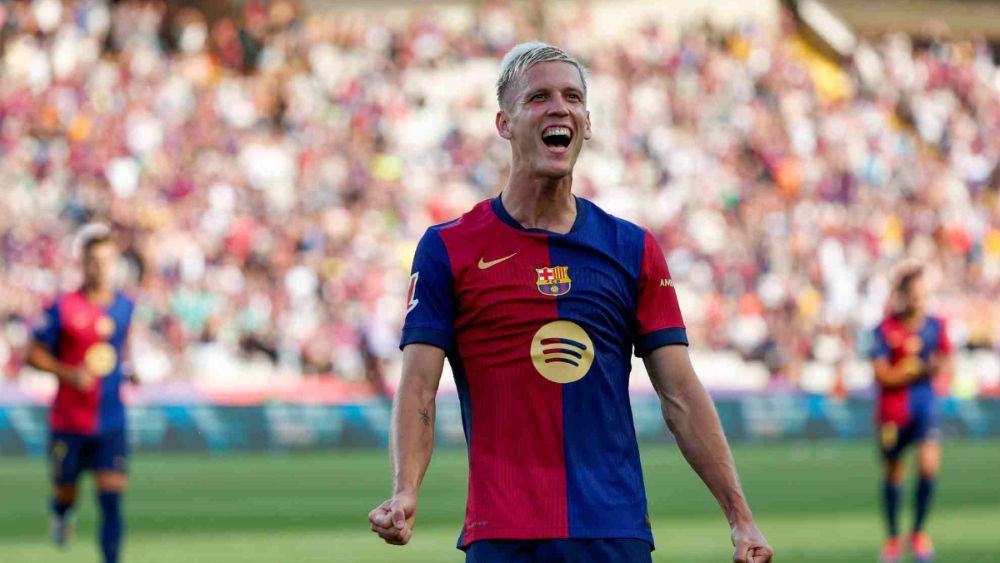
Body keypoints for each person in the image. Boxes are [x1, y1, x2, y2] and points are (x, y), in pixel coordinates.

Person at [368, 42, 773, 563]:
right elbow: (419, 386)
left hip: (613, 530)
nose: (560, 107)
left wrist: (740, 517)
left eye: (573, 97)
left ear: (587, 122)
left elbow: (680, 394)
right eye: (538, 97)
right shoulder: (450, 247)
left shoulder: (632, 248)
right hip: (503, 535)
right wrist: (406, 490)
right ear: (504, 123)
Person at [27, 224, 137, 563]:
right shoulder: (62, 308)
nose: (101, 268)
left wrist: (132, 371)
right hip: (69, 421)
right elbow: (33, 354)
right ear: (83, 264)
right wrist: (67, 373)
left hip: (111, 421)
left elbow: (118, 352)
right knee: (66, 492)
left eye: (107, 261)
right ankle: (60, 512)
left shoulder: (124, 308)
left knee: (111, 499)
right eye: (94, 261)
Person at [871, 263, 951, 563]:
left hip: (925, 405)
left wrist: (936, 369)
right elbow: (881, 374)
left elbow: (946, 360)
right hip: (893, 411)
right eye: (914, 294)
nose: (919, 300)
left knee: (929, 467)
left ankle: (917, 532)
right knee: (894, 473)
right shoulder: (886, 329)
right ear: (903, 295)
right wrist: (910, 372)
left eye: (922, 294)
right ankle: (892, 538)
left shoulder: (936, 325)